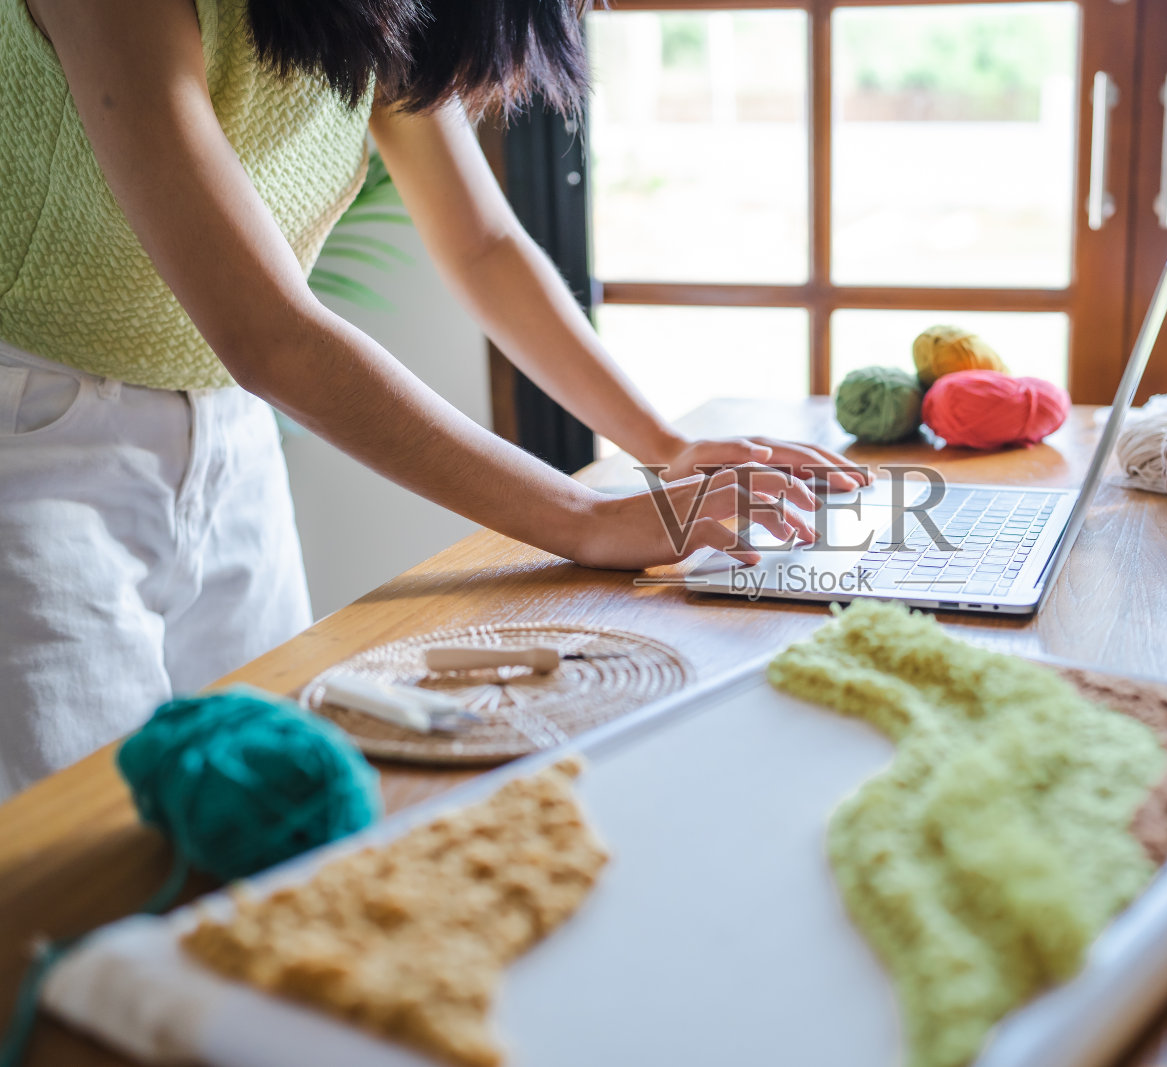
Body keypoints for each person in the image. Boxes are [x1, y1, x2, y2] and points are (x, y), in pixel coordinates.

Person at [0, 0, 866, 799]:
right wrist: (584, 517)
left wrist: (666, 447)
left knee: (267, 798)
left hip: (231, 435)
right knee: (68, 848)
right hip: (34, 450)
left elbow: (484, 244)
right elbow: (269, 334)